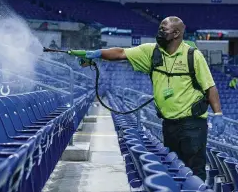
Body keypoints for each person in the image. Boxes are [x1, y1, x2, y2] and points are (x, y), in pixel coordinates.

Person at [83, 16, 225, 180]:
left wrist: (218, 114)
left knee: (194, 172)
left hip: (193, 125)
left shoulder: (193, 56)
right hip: (169, 124)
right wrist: (98, 53)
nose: (160, 32)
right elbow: (121, 53)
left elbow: (210, 87)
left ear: (177, 33)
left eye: (164, 29)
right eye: (160, 28)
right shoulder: (151, 52)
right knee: (174, 169)